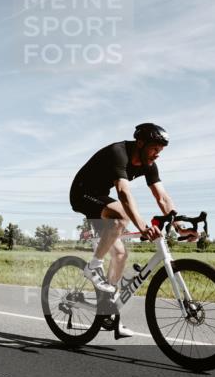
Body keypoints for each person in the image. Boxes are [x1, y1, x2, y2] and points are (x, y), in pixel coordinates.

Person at [69, 123, 195, 337]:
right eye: (155, 149)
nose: (157, 155)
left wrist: (179, 227)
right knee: (122, 216)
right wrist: (144, 227)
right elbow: (124, 194)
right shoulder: (119, 153)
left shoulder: (148, 163)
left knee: (120, 254)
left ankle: (107, 311)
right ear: (141, 143)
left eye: (160, 151)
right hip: (82, 194)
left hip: (101, 199)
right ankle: (93, 266)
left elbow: (162, 197)